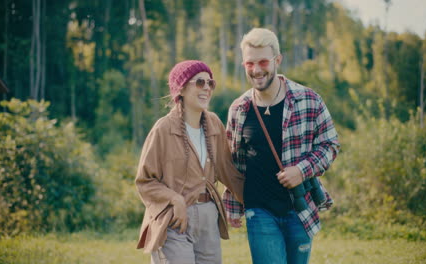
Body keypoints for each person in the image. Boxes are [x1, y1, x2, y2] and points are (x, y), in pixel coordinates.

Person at [223, 28, 340, 264]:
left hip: (299, 208)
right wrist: (232, 205)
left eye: (263, 61)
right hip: (259, 210)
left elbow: (330, 144)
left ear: (278, 60)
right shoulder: (239, 109)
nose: (256, 70)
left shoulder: (309, 99)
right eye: (249, 64)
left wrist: (302, 170)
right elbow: (235, 163)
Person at [135, 60, 244, 264]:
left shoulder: (214, 124)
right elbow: (144, 181)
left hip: (208, 220)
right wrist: (175, 199)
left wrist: (260, 203)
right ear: (182, 88)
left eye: (210, 83)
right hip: (174, 220)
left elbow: (229, 171)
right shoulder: (163, 129)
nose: (206, 88)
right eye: (199, 82)